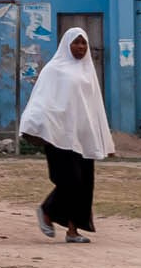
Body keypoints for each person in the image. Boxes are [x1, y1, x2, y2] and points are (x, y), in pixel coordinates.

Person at [18, 28, 113, 244]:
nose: (80, 47)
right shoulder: (54, 69)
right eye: (76, 43)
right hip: (59, 134)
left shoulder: (88, 71)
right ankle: (46, 211)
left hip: (82, 137)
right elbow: (41, 100)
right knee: (71, 180)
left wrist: (103, 139)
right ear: (66, 45)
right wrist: (33, 124)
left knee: (85, 184)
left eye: (84, 43)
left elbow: (94, 107)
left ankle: (73, 231)